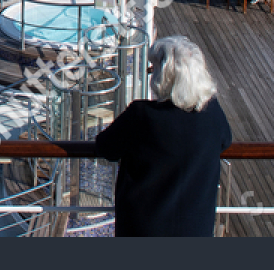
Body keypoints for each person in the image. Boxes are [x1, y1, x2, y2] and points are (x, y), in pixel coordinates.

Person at [94, 35, 233, 236]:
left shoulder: (142, 115)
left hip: (144, 230)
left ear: (163, 77)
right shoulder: (212, 114)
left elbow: (105, 147)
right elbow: (225, 141)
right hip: (195, 230)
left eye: (153, 69)